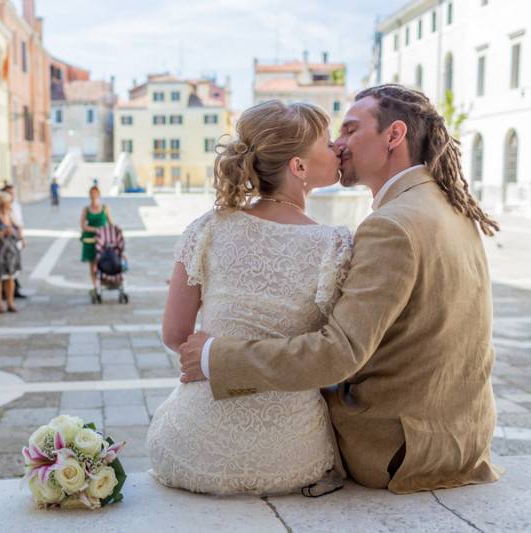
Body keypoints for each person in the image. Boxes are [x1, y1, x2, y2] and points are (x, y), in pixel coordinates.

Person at [179, 85, 502, 495]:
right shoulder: (449, 205)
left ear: (394, 136)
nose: (338, 143)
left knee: (267, 413)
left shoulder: (391, 225)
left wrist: (214, 356)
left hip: (398, 448)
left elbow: (339, 354)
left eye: (350, 130)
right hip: (460, 436)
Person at [146, 101, 348, 496]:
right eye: (327, 142)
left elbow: (174, 333)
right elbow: (334, 354)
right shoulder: (335, 245)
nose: (338, 147)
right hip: (292, 454)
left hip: (191, 447)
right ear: (299, 167)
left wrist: (217, 356)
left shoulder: (206, 228)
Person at [0, 184, 28, 299]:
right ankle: (0, 298)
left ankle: (11, 297)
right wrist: (3, 233)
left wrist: (21, 237)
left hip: (12, 245)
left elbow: (19, 225)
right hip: (0, 249)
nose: (12, 197)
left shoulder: (14, 209)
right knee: (0, 275)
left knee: (12, 273)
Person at [0, 192, 21, 313]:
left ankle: (10, 301)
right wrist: (2, 233)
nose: (11, 204)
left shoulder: (10, 215)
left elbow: (18, 229)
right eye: (9, 202)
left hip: (11, 251)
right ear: (3, 203)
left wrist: (17, 232)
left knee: (11, 277)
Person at [80, 186, 112, 299]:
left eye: (95, 193)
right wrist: (94, 229)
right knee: (92, 264)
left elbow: (111, 223)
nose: (93, 195)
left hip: (103, 239)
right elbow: (83, 225)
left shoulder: (104, 208)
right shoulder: (86, 209)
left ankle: (103, 282)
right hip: (90, 240)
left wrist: (112, 234)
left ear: (98, 194)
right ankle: (95, 285)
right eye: (92, 193)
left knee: (102, 261)